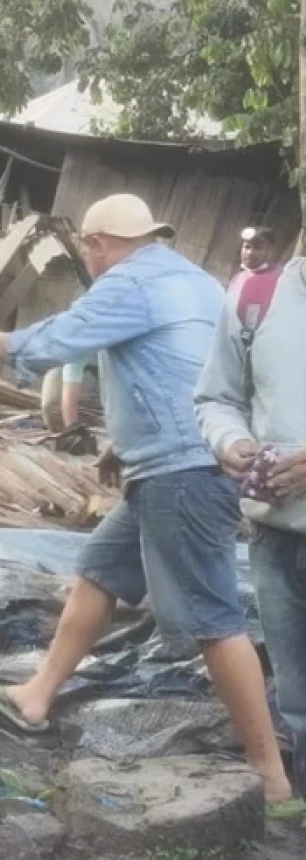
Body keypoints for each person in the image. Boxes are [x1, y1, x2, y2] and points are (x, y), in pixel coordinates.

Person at [0, 193, 291, 803]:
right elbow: (184, 372)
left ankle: (270, 775)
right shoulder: (195, 279)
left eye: (87, 247)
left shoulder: (128, 283)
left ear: (98, 243)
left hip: (182, 474)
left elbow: (52, 343)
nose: (88, 256)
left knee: (212, 619)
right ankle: (37, 696)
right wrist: (125, 445)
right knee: (99, 573)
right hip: (177, 463)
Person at [196, 257, 306, 797]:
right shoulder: (256, 297)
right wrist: (230, 441)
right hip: (275, 541)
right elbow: (217, 398)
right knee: (297, 703)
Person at [41, 357, 96, 431]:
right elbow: (68, 399)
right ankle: (66, 436)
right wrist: (72, 432)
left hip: (112, 356)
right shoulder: (76, 356)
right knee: (51, 406)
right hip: (73, 355)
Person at [229, 226, 281, 293]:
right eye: (247, 247)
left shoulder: (278, 280)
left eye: (258, 248)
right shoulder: (238, 278)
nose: (250, 253)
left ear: (270, 251)